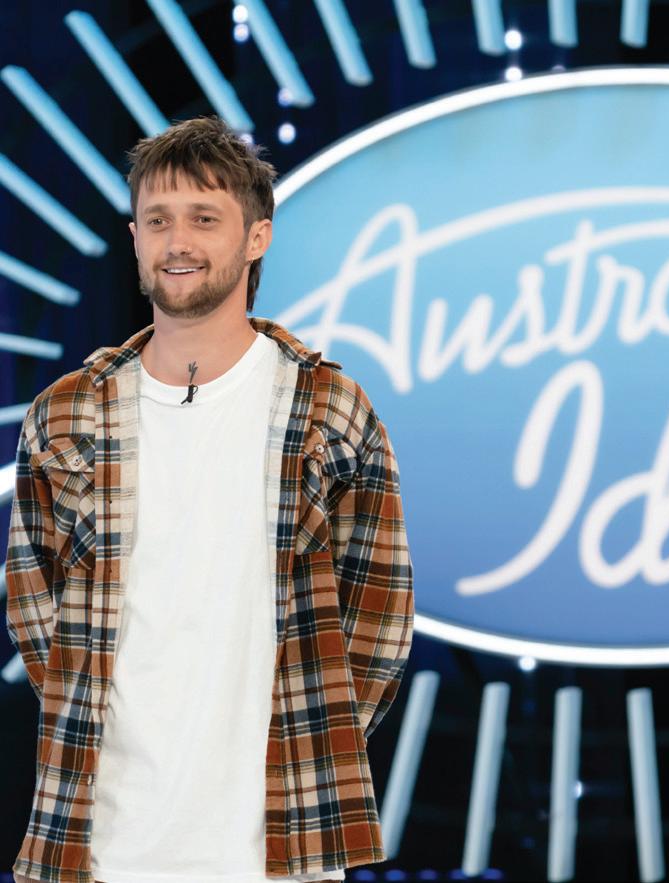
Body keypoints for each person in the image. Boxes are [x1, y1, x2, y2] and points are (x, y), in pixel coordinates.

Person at [5, 116, 414, 883]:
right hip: (102, 849)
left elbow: (380, 619)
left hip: (278, 853)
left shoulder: (329, 410)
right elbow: (35, 611)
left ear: (257, 237)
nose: (177, 241)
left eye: (204, 218)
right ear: (135, 237)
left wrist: (311, 739)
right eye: (158, 220)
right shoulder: (64, 414)